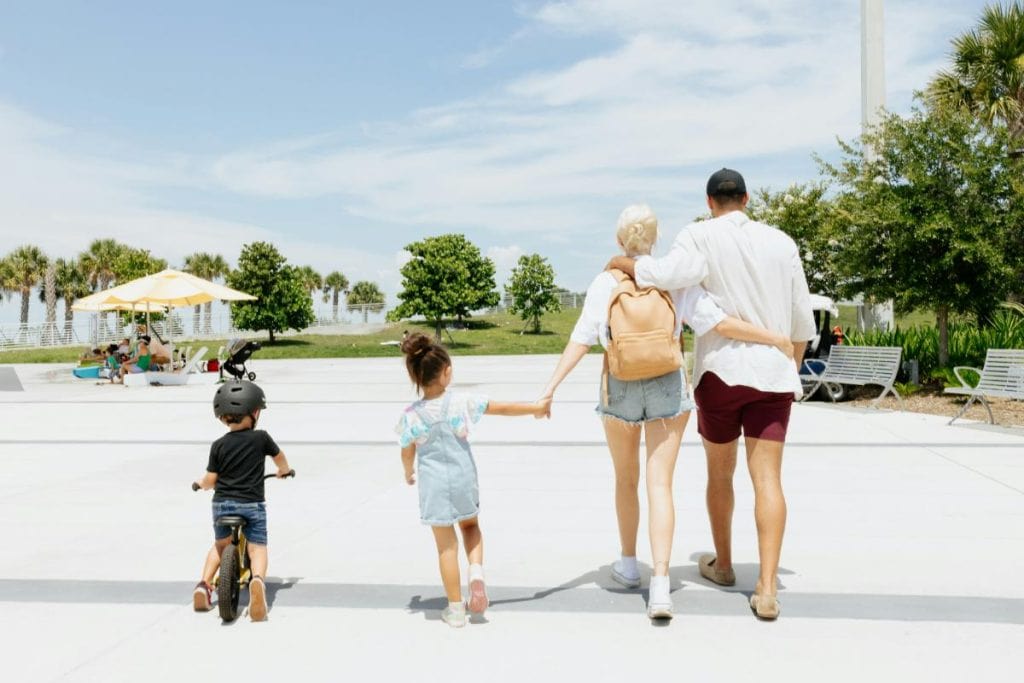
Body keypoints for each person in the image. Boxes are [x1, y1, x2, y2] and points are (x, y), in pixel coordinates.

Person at [540, 204, 794, 620]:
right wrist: (775, 339)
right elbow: (720, 324)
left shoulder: (606, 281)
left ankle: (627, 563)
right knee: (661, 484)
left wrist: (549, 389)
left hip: (620, 384)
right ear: (655, 239)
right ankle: (660, 584)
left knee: (626, 479)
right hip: (666, 383)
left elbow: (581, 340)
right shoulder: (674, 281)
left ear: (620, 240)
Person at [609, 170, 816, 620]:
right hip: (774, 375)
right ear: (746, 198)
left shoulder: (699, 236)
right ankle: (765, 588)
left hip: (721, 373)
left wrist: (625, 263)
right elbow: (802, 321)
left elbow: (665, 274)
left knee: (720, 475)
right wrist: (789, 368)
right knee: (769, 480)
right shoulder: (782, 242)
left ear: (709, 201)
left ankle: (723, 566)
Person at [396, 333, 550, 628]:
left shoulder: (411, 416)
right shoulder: (462, 402)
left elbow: (406, 451)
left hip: (434, 486)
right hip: (464, 477)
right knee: (470, 526)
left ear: (415, 376)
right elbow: (502, 408)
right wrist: (536, 408)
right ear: (447, 372)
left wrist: (408, 472)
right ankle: (476, 573)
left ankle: (455, 609)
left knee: (445, 548)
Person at [192, 380, 291, 621]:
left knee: (220, 545)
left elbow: (211, 479)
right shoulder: (261, 438)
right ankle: (257, 581)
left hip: (222, 504)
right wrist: (284, 471)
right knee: (258, 546)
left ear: (222, 417)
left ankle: (203, 586)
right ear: (254, 412)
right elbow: (280, 459)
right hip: (251, 504)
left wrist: (200, 484)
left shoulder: (218, 445)